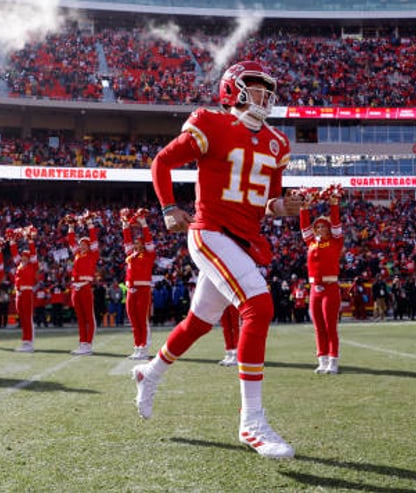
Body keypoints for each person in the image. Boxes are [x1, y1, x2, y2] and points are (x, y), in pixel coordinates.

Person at [131, 60, 300, 459]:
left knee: (198, 323)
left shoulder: (277, 143)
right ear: (232, 90)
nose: (263, 95)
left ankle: (148, 372)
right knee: (258, 305)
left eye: (266, 88)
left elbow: (268, 201)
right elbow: (162, 162)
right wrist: (169, 207)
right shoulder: (211, 123)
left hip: (243, 240)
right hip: (209, 232)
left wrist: (284, 206)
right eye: (254, 87)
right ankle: (252, 421)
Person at [299, 184, 345, 374]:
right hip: (314, 288)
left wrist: (333, 204)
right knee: (318, 327)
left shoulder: (335, 241)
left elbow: (335, 223)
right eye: (317, 226)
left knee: (330, 326)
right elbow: (304, 225)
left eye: (322, 226)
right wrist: (304, 207)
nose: (319, 228)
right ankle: (322, 360)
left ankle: (333, 362)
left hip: (330, 287)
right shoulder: (311, 242)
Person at [121, 208, 157, 360]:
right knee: (133, 320)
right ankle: (137, 347)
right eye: (136, 243)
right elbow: (127, 240)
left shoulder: (149, 254)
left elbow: (149, 240)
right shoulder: (130, 254)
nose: (137, 245)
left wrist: (143, 224)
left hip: (143, 289)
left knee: (142, 320)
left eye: (139, 242)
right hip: (131, 289)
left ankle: (144, 348)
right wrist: (125, 226)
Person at [67, 212, 99, 355]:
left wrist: (89, 224)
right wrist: (71, 226)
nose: (82, 246)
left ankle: (88, 345)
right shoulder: (77, 254)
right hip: (75, 287)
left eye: (85, 244)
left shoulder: (93, 254)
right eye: (80, 244)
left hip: (85, 286)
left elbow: (94, 238)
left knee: (88, 317)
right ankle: (82, 344)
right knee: (80, 318)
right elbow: (70, 240)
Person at [9, 226, 39, 352]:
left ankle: (29, 342)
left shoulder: (33, 265)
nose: (23, 257)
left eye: (26, 256)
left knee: (27, 317)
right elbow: (14, 252)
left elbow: (33, 253)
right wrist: (12, 240)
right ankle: (25, 341)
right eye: (23, 256)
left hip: (27, 292)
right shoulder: (19, 265)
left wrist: (30, 240)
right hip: (19, 293)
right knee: (22, 317)